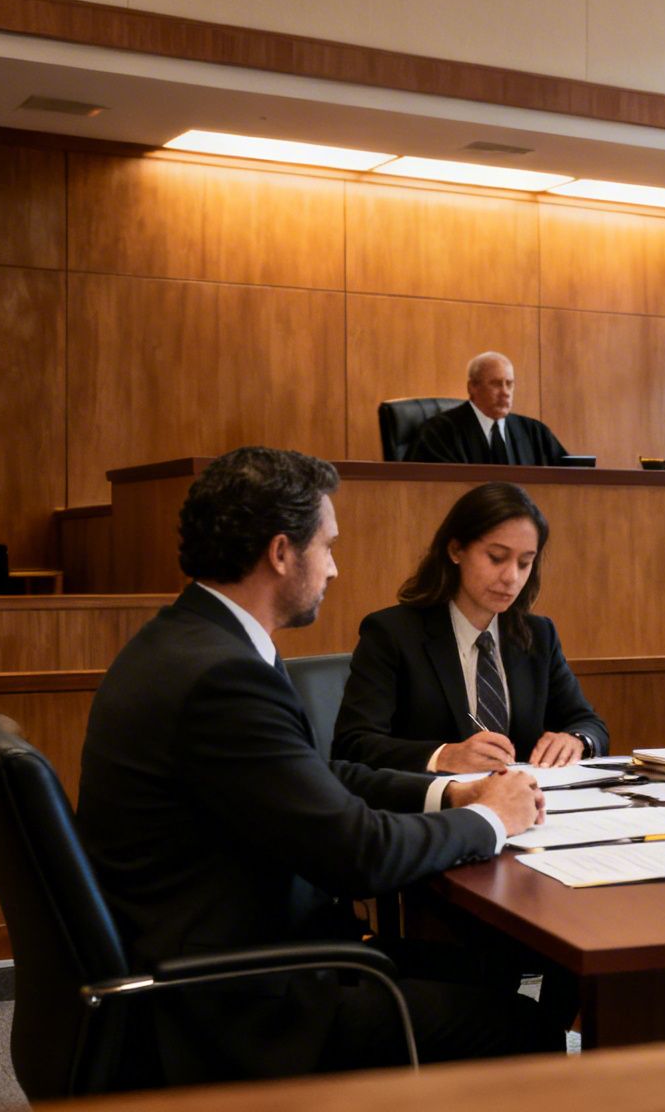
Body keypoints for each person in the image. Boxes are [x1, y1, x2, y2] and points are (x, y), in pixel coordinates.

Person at [77, 447, 568, 1085]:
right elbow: (357, 854)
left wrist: (450, 793)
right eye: (328, 547)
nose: (334, 569)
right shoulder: (222, 677)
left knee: (489, 971)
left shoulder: (194, 642)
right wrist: (488, 819)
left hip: (232, 951)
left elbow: (318, 777)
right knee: (526, 1026)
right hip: (241, 1002)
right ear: (282, 553)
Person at [334, 482, 608, 772]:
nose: (511, 578)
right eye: (496, 558)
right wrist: (443, 756)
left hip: (527, 806)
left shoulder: (539, 635)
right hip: (432, 808)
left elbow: (590, 724)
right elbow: (353, 744)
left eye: (525, 563)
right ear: (456, 550)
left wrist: (578, 740)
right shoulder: (392, 633)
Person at [408, 351, 570, 465]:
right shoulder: (439, 432)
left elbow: (569, 474)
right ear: (472, 387)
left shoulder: (534, 432)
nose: (505, 392)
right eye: (496, 384)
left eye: (509, 384)